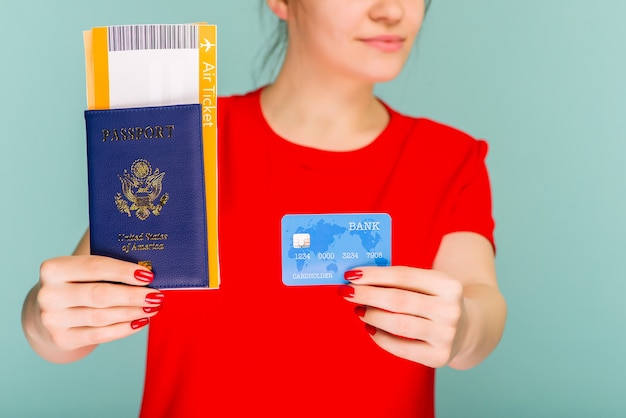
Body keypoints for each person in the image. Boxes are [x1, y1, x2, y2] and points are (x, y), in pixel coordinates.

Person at [21, 0, 507, 416]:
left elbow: (481, 305)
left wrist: (462, 327)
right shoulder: (185, 140)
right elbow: (65, 320)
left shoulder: (449, 158)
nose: (392, 11)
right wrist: (48, 320)